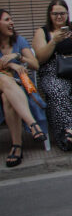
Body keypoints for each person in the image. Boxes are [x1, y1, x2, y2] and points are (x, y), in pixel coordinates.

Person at [32, 0, 72, 151]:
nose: (59, 17)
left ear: (67, 14)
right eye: (55, 14)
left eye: (62, 13)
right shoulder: (41, 32)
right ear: (49, 15)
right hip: (52, 71)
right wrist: (54, 41)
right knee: (58, 92)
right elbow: (40, 58)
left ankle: (68, 133)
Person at [0, 9, 47, 167]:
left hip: (17, 91)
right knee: (4, 79)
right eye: (7, 20)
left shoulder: (19, 41)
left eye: (11, 19)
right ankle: (32, 123)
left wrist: (17, 56)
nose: (11, 22)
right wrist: (12, 65)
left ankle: (17, 146)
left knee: (7, 97)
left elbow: (35, 64)